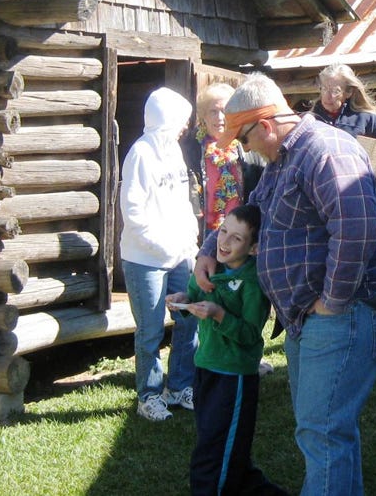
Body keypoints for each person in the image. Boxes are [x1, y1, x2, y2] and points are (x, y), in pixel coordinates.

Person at [193, 72, 376, 495]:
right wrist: (209, 249)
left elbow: (356, 230)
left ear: (266, 126)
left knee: (322, 433)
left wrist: (331, 301)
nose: (246, 149)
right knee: (328, 432)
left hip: (344, 314)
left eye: (245, 138)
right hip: (312, 319)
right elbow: (253, 211)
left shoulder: (326, 150)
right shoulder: (282, 160)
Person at [167, 205, 286, 496]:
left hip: (234, 377)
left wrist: (219, 314)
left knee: (215, 454)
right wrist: (182, 301)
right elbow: (194, 299)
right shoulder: (209, 268)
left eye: (236, 238)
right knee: (219, 447)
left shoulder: (253, 282)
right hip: (204, 367)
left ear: (254, 248)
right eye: (223, 231)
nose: (224, 242)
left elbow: (249, 335)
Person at [119, 87, 199, 420]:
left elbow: (182, 202)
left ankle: (179, 386)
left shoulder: (174, 152)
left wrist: (190, 243)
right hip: (145, 260)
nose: (185, 127)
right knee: (150, 331)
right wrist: (162, 246)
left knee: (188, 320)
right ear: (166, 119)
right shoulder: (140, 154)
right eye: (181, 120)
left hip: (179, 255)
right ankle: (149, 396)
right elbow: (133, 213)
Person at [312, 62, 376, 205]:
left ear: (348, 92)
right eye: (324, 89)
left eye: (335, 91)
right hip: (316, 202)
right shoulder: (309, 121)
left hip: (357, 200)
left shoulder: (366, 120)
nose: (328, 96)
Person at [184, 83, 263, 239]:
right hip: (203, 232)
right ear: (204, 115)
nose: (219, 118)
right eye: (213, 111)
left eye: (225, 111)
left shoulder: (247, 142)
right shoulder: (190, 146)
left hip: (241, 232)